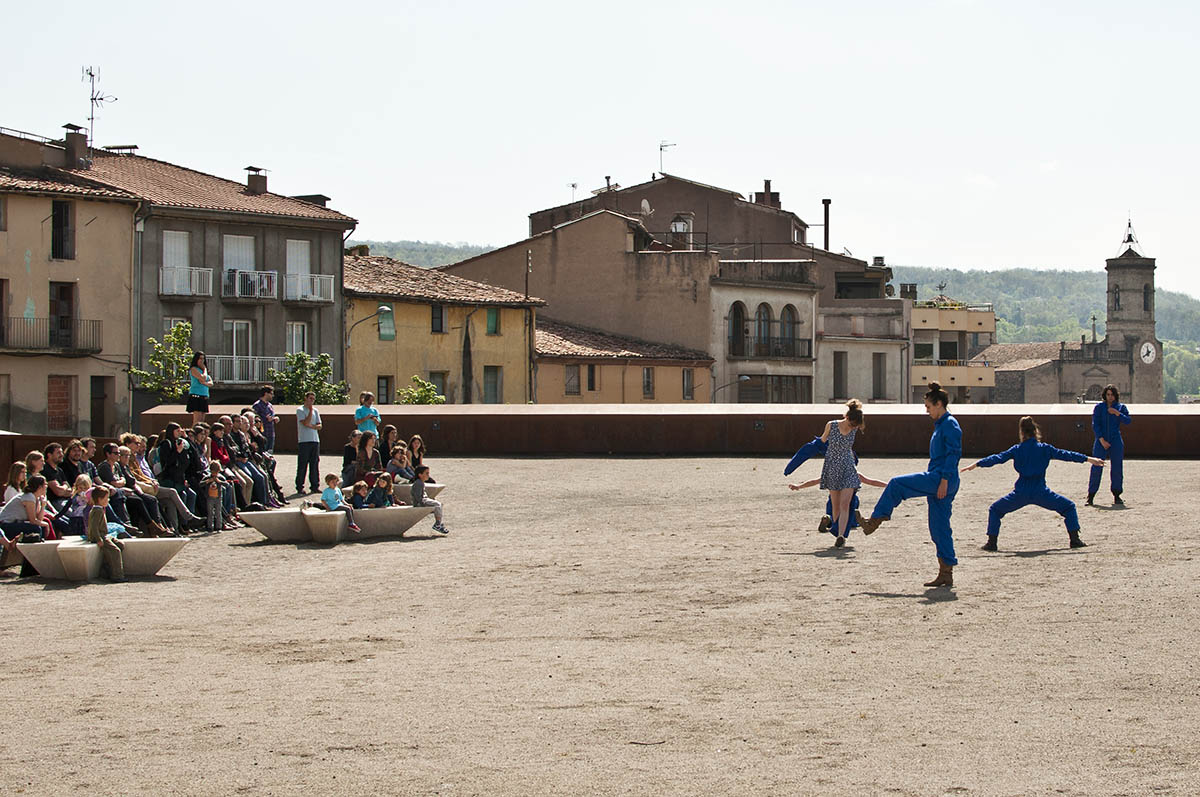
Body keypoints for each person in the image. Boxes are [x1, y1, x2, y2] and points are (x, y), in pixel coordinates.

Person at [860, 382, 962, 588]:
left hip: (941, 479)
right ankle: (946, 573)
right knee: (939, 527)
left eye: (929, 407)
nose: (927, 411)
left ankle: (874, 521)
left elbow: (954, 454)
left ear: (940, 404)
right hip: (941, 479)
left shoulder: (950, 424)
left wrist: (943, 481)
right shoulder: (942, 425)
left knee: (897, 484)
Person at [962, 415, 1105, 552]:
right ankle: (1075, 540)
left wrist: (977, 464)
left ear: (1022, 432)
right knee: (1068, 507)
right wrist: (1089, 459)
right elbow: (1066, 455)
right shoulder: (1044, 448)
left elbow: (998, 458)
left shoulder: (1017, 449)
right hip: (1041, 491)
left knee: (995, 510)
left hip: (1021, 492)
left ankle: (991, 543)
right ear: (1035, 431)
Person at [817, 399, 867, 547]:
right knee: (836, 505)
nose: (853, 427)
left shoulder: (855, 428)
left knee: (845, 504)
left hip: (848, 466)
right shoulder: (831, 425)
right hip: (832, 466)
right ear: (847, 417)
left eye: (855, 425)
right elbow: (821, 441)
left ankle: (841, 536)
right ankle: (836, 529)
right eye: (852, 424)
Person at [1088, 384, 1132, 506]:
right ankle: (1091, 495)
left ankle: (1117, 495)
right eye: (1108, 394)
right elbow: (1095, 425)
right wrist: (1101, 440)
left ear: (1115, 395)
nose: (1110, 397)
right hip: (1101, 440)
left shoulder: (1121, 407)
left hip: (1116, 439)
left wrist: (1117, 413)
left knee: (1117, 468)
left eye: (1112, 395)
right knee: (1096, 466)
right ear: (1104, 395)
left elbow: (1128, 421)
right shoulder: (1098, 407)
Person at [86, 487, 127, 582]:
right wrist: (98, 539)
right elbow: (94, 526)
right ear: (100, 499)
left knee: (120, 545)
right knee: (115, 551)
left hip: (104, 535)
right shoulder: (97, 510)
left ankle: (107, 569)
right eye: (106, 498)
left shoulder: (100, 509)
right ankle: (117, 575)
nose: (108, 500)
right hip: (100, 536)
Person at [296, 391, 322, 494]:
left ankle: (315, 486)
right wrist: (310, 411)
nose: (312, 401)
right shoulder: (300, 410)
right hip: (304, 440)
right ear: (306, 398)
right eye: (310, 398)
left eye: (313, 399)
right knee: (303, 464)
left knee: (314, 463)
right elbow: (306, 422)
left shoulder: (316, 411)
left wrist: (313, 426)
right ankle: (299, 486)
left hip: (315, 440)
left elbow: (319, 425)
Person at [411, 466, 448, 534]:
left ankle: (438, 523)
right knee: (438, 504)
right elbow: (418, 497)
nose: (428, 475)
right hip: (421, 502)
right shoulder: (418, 483)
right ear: (420, 475)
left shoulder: (420, 482)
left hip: (423, 500)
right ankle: (437, 524)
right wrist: (422, 504)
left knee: (439, 505)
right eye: (426, 473)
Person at [200, 463, 229, 532]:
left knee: (218, 513)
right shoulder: (207, 477)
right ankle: (210, 527)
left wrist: (219, 482)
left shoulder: (220, 477)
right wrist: (208, 481)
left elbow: (226, 484)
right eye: (213, 472)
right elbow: (200, 484)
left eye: (216, 472)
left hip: (218, 497)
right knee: (210, 513)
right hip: (209, 497)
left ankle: (219, 527)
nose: (214, 474)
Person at [188, 351, 214, 426]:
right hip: (196, 395)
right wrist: (204, 369)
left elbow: (211, 383)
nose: (202, 360)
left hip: (204, 395)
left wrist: (205, 383)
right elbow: (203, 378)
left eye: (203, 359)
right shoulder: (194, 369)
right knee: (197, 420)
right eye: (200, 358)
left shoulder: (204, 371)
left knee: (202, 420)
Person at [251, 385, 280, 453]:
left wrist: (275, 418)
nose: (272, 396)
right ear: (266, 393)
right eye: (271, 393)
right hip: (262, 434)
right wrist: (264, 420)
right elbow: (254, 419)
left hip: (270, 433)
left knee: (269, 453)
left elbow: (272, 416)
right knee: (262, 452)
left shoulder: (270, 405)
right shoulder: (257, 405)